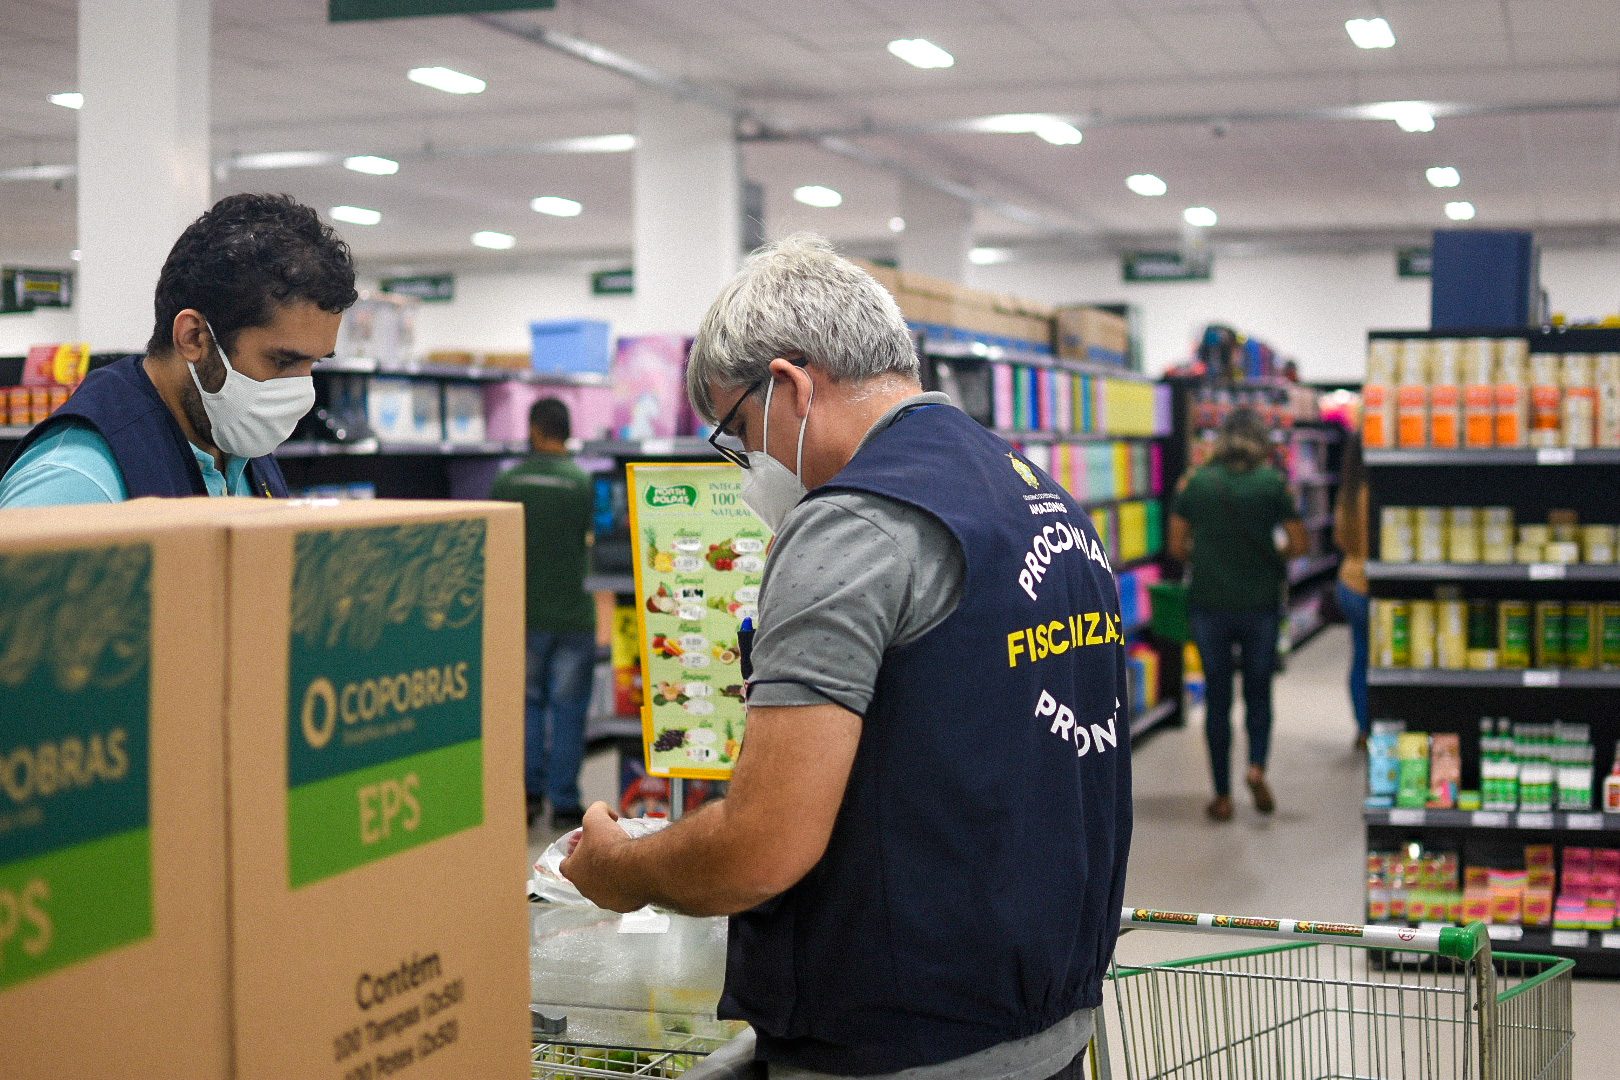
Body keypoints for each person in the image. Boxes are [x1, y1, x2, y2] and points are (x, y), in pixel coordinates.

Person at [561, 234, 1132, 1080]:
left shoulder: (851, 523)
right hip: (1045, 1015)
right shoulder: (1040, 494)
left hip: (903, 1036)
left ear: (789, 385)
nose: (745, 464)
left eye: (737, 431)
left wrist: (625, 868)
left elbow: (764, 847)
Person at [0, 193, 357, 507]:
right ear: (194, 338)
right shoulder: (76, 480)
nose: (301, 391)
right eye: (283, 360)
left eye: (313, 363)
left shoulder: (237, 449)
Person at [1169, 407, 1307, 822]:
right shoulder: (1272, 484)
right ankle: (1256, 767)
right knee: (1259, 691)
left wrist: (1210, 557)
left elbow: (1177, 546)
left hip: (1209, 603)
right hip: (1260, 604)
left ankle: (1222, 794)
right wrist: (1269, 556)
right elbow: (1298, 544)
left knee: (1217, 698)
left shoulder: (1196, 483)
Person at [491, 398, 597, 830]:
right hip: (574, 614)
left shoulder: (508, 482)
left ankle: (528, 796)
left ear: (535, 429)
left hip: (524, 615)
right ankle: (566, 804)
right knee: (569, 710)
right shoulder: (582, 483)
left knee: (528, 706)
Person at [1333, 433, 1370, 750]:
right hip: (1373, 584)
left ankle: (1363, 728)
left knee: (1360, 656)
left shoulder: (1348, 491)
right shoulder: (1377, 490)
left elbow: (1340, 539)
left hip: (1349, 581)